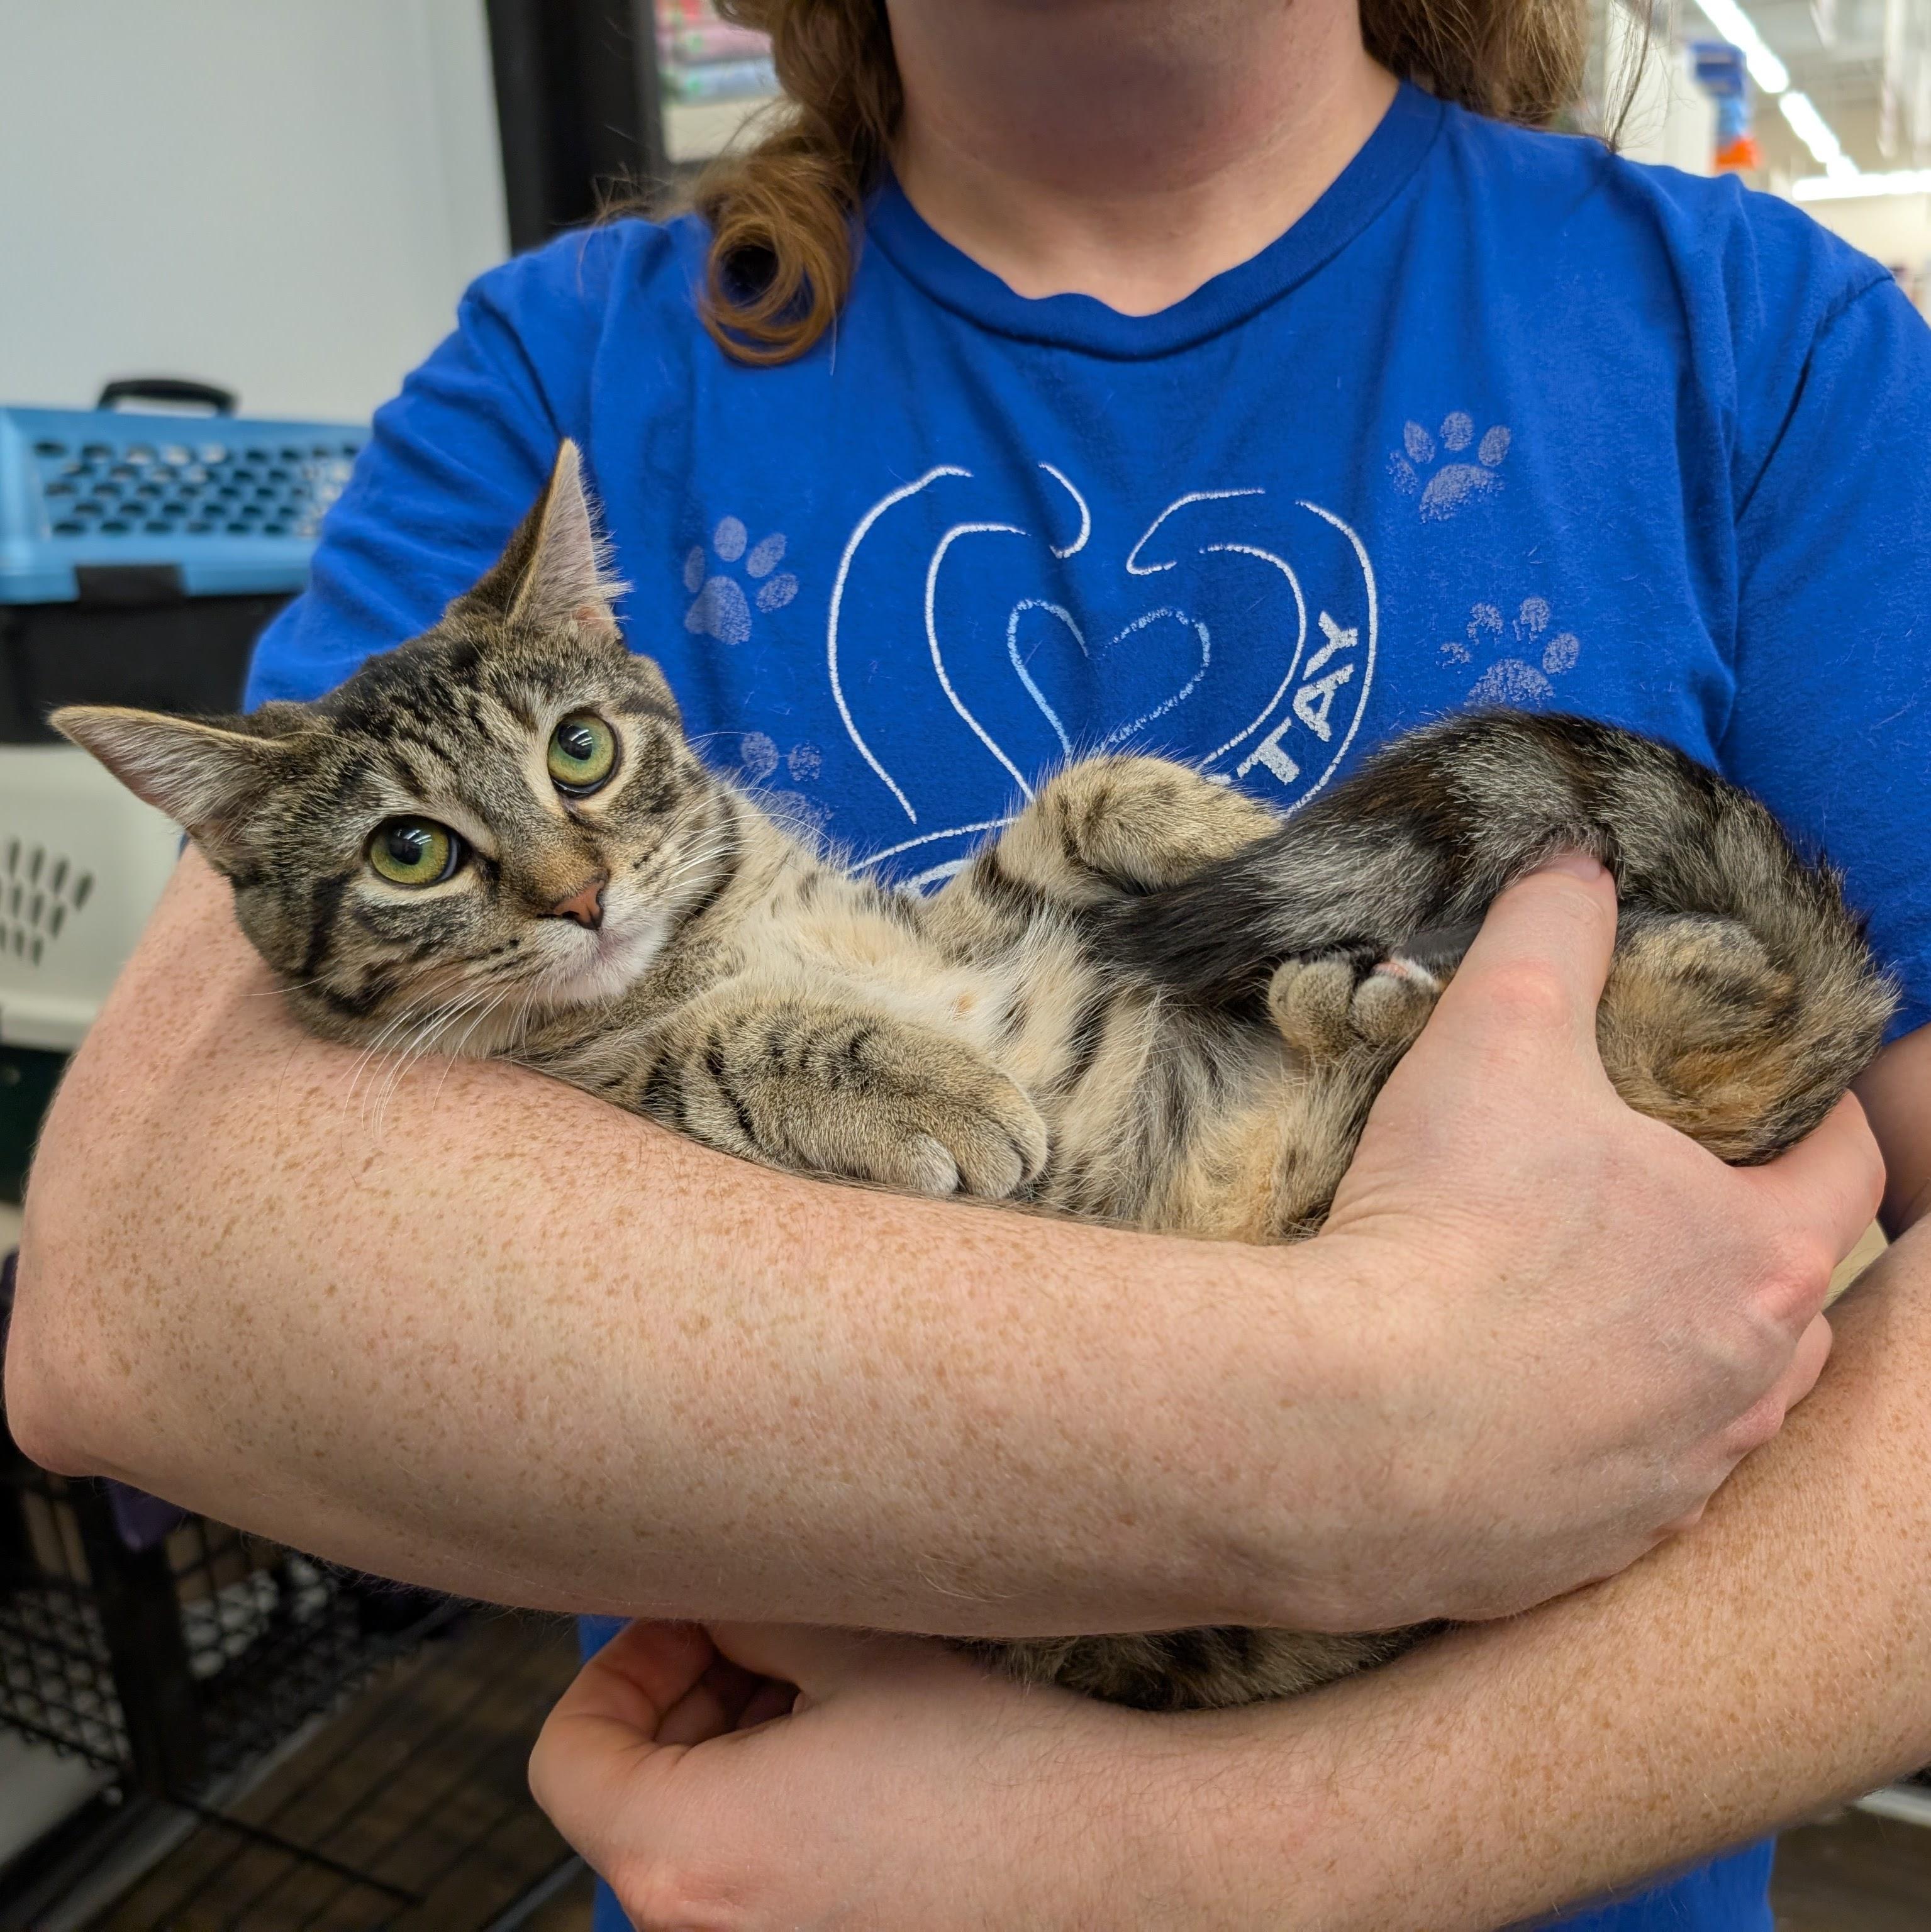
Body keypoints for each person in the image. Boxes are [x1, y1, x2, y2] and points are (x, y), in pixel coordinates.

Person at [7, 0, 1927, 1924]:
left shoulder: (1763, 341)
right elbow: (128, 1299)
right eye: (454, 851)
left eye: (583, 776)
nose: (572, 888)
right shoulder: (566, 364)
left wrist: (1258, 1849)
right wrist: (1382, 1409)